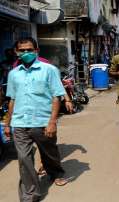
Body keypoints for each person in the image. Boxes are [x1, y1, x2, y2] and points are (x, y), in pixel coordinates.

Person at [5, 37, 68, 202]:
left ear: (36, 51)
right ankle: (30, 195)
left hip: (42, 122)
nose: (26, 53)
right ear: (17, 52)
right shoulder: (13, 74)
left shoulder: (49, 70)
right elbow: (12, 99)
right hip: (19, 123)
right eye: (22, 50)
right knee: (24, 160)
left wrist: (52, 122)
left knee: (49, 153)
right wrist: (7, 123)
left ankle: (55, 172)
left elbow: (56, 96)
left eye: (29, 50)